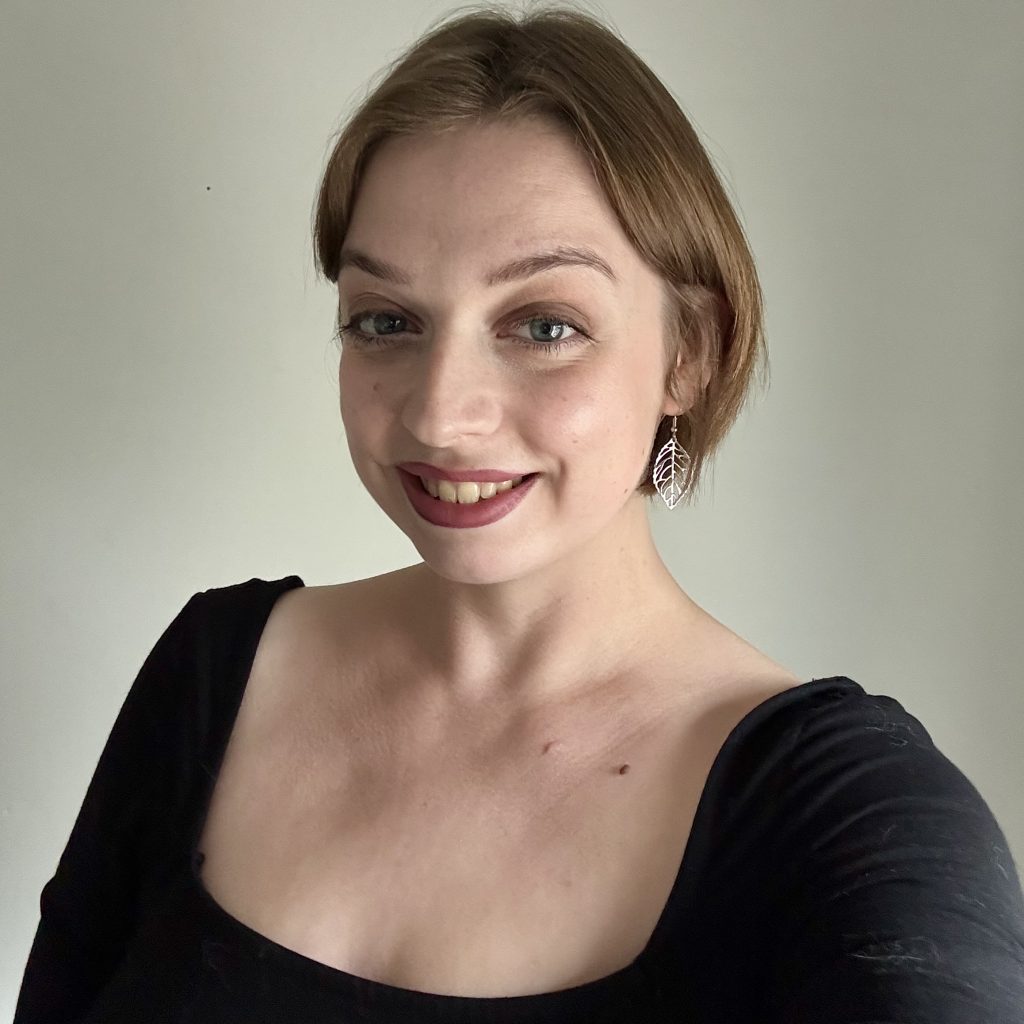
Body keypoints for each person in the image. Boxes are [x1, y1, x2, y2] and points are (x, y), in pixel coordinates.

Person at [15, 5, 1024, 1022]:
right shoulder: (212, 673)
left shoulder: (853, 815)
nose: (439, 414)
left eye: (544, 325)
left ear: (691, 352)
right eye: (386, 321)